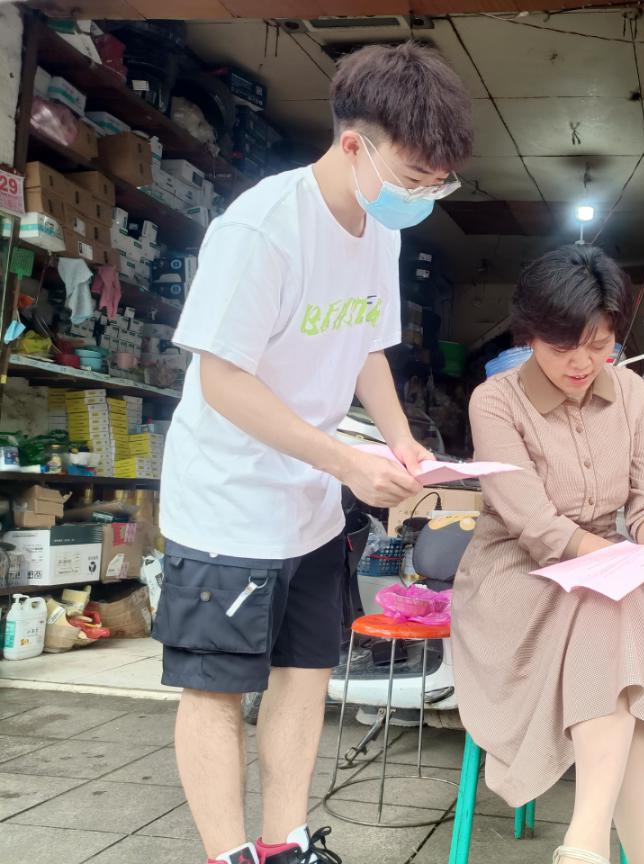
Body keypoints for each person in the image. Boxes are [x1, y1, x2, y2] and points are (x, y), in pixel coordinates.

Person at [154, 44, 473, 864]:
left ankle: (285, 844)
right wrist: (343, 462)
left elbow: (366, 343)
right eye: (416, 178)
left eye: (439, 184)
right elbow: (223, 381)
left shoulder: (379, 229)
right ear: (354, 144)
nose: (423, 197)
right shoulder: (262, 229)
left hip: (309, 505)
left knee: (304, 674)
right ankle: (228, 855)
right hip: (228, 502)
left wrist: (400, 438)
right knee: (218, 688)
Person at [452, 245, 644, 864]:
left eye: (600, 345)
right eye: (562, 348)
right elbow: (537, 527)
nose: (582, 363)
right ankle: (607, 848)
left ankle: (585, 844)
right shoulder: (495, 401)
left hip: (604, 583)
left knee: (616, 608)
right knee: (620, 605)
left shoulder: (632, 393)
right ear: (530, 335)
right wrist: (634, 568)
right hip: (515, 580)